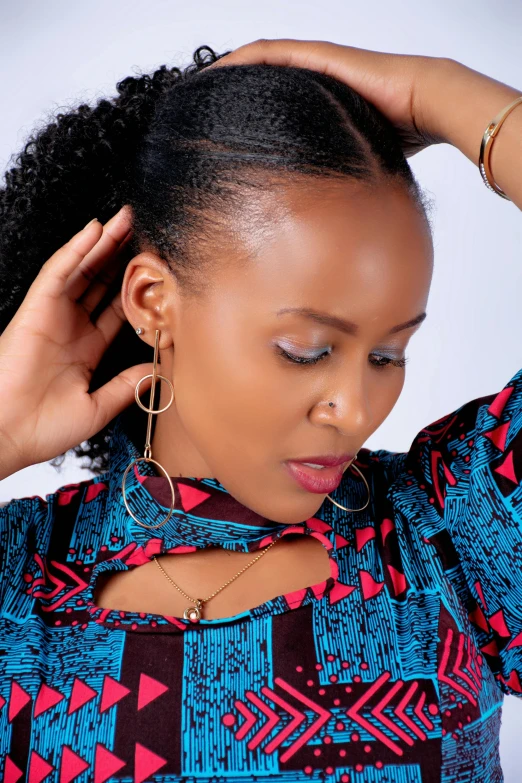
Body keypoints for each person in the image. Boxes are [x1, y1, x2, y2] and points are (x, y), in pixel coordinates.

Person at [0, 38, 520, 783]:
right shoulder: (18, 582)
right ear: (153, 303)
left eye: (388, 354)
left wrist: (440, 94)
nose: (355, 409)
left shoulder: (456, 537)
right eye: (307, 350)